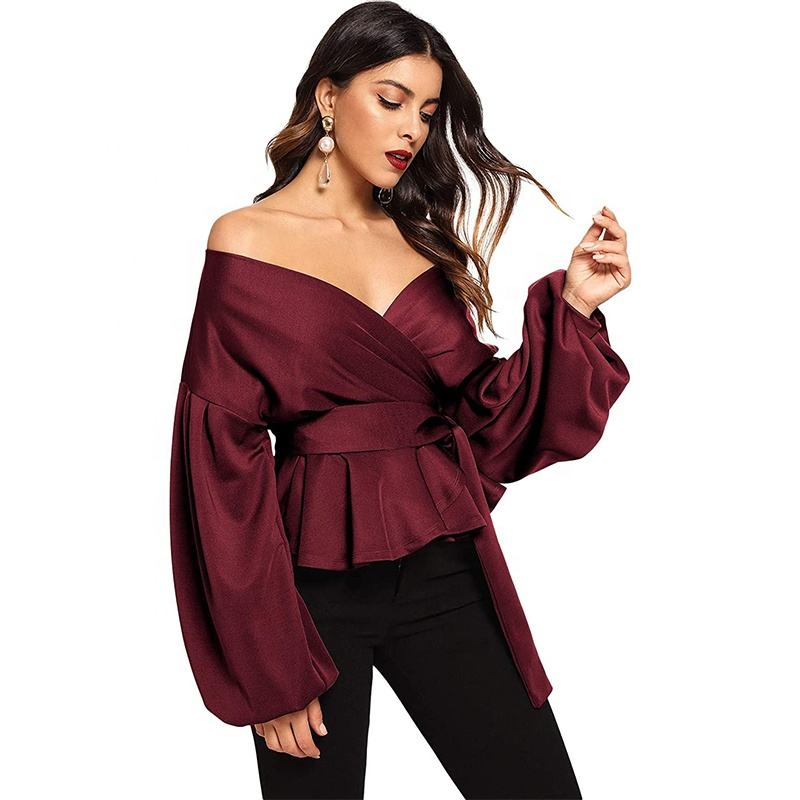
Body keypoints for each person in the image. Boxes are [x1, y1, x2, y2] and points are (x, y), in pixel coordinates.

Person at [169, 3, 632, 798]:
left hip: (445, 564)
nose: (413, 129)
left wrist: (577, 307)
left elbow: (483, 419)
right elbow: (220, 462)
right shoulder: (244, 239)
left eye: (427, 110)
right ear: (328, 97)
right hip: (308, 591)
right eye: (391, 100)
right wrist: (268, 666)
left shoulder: (417, 238)